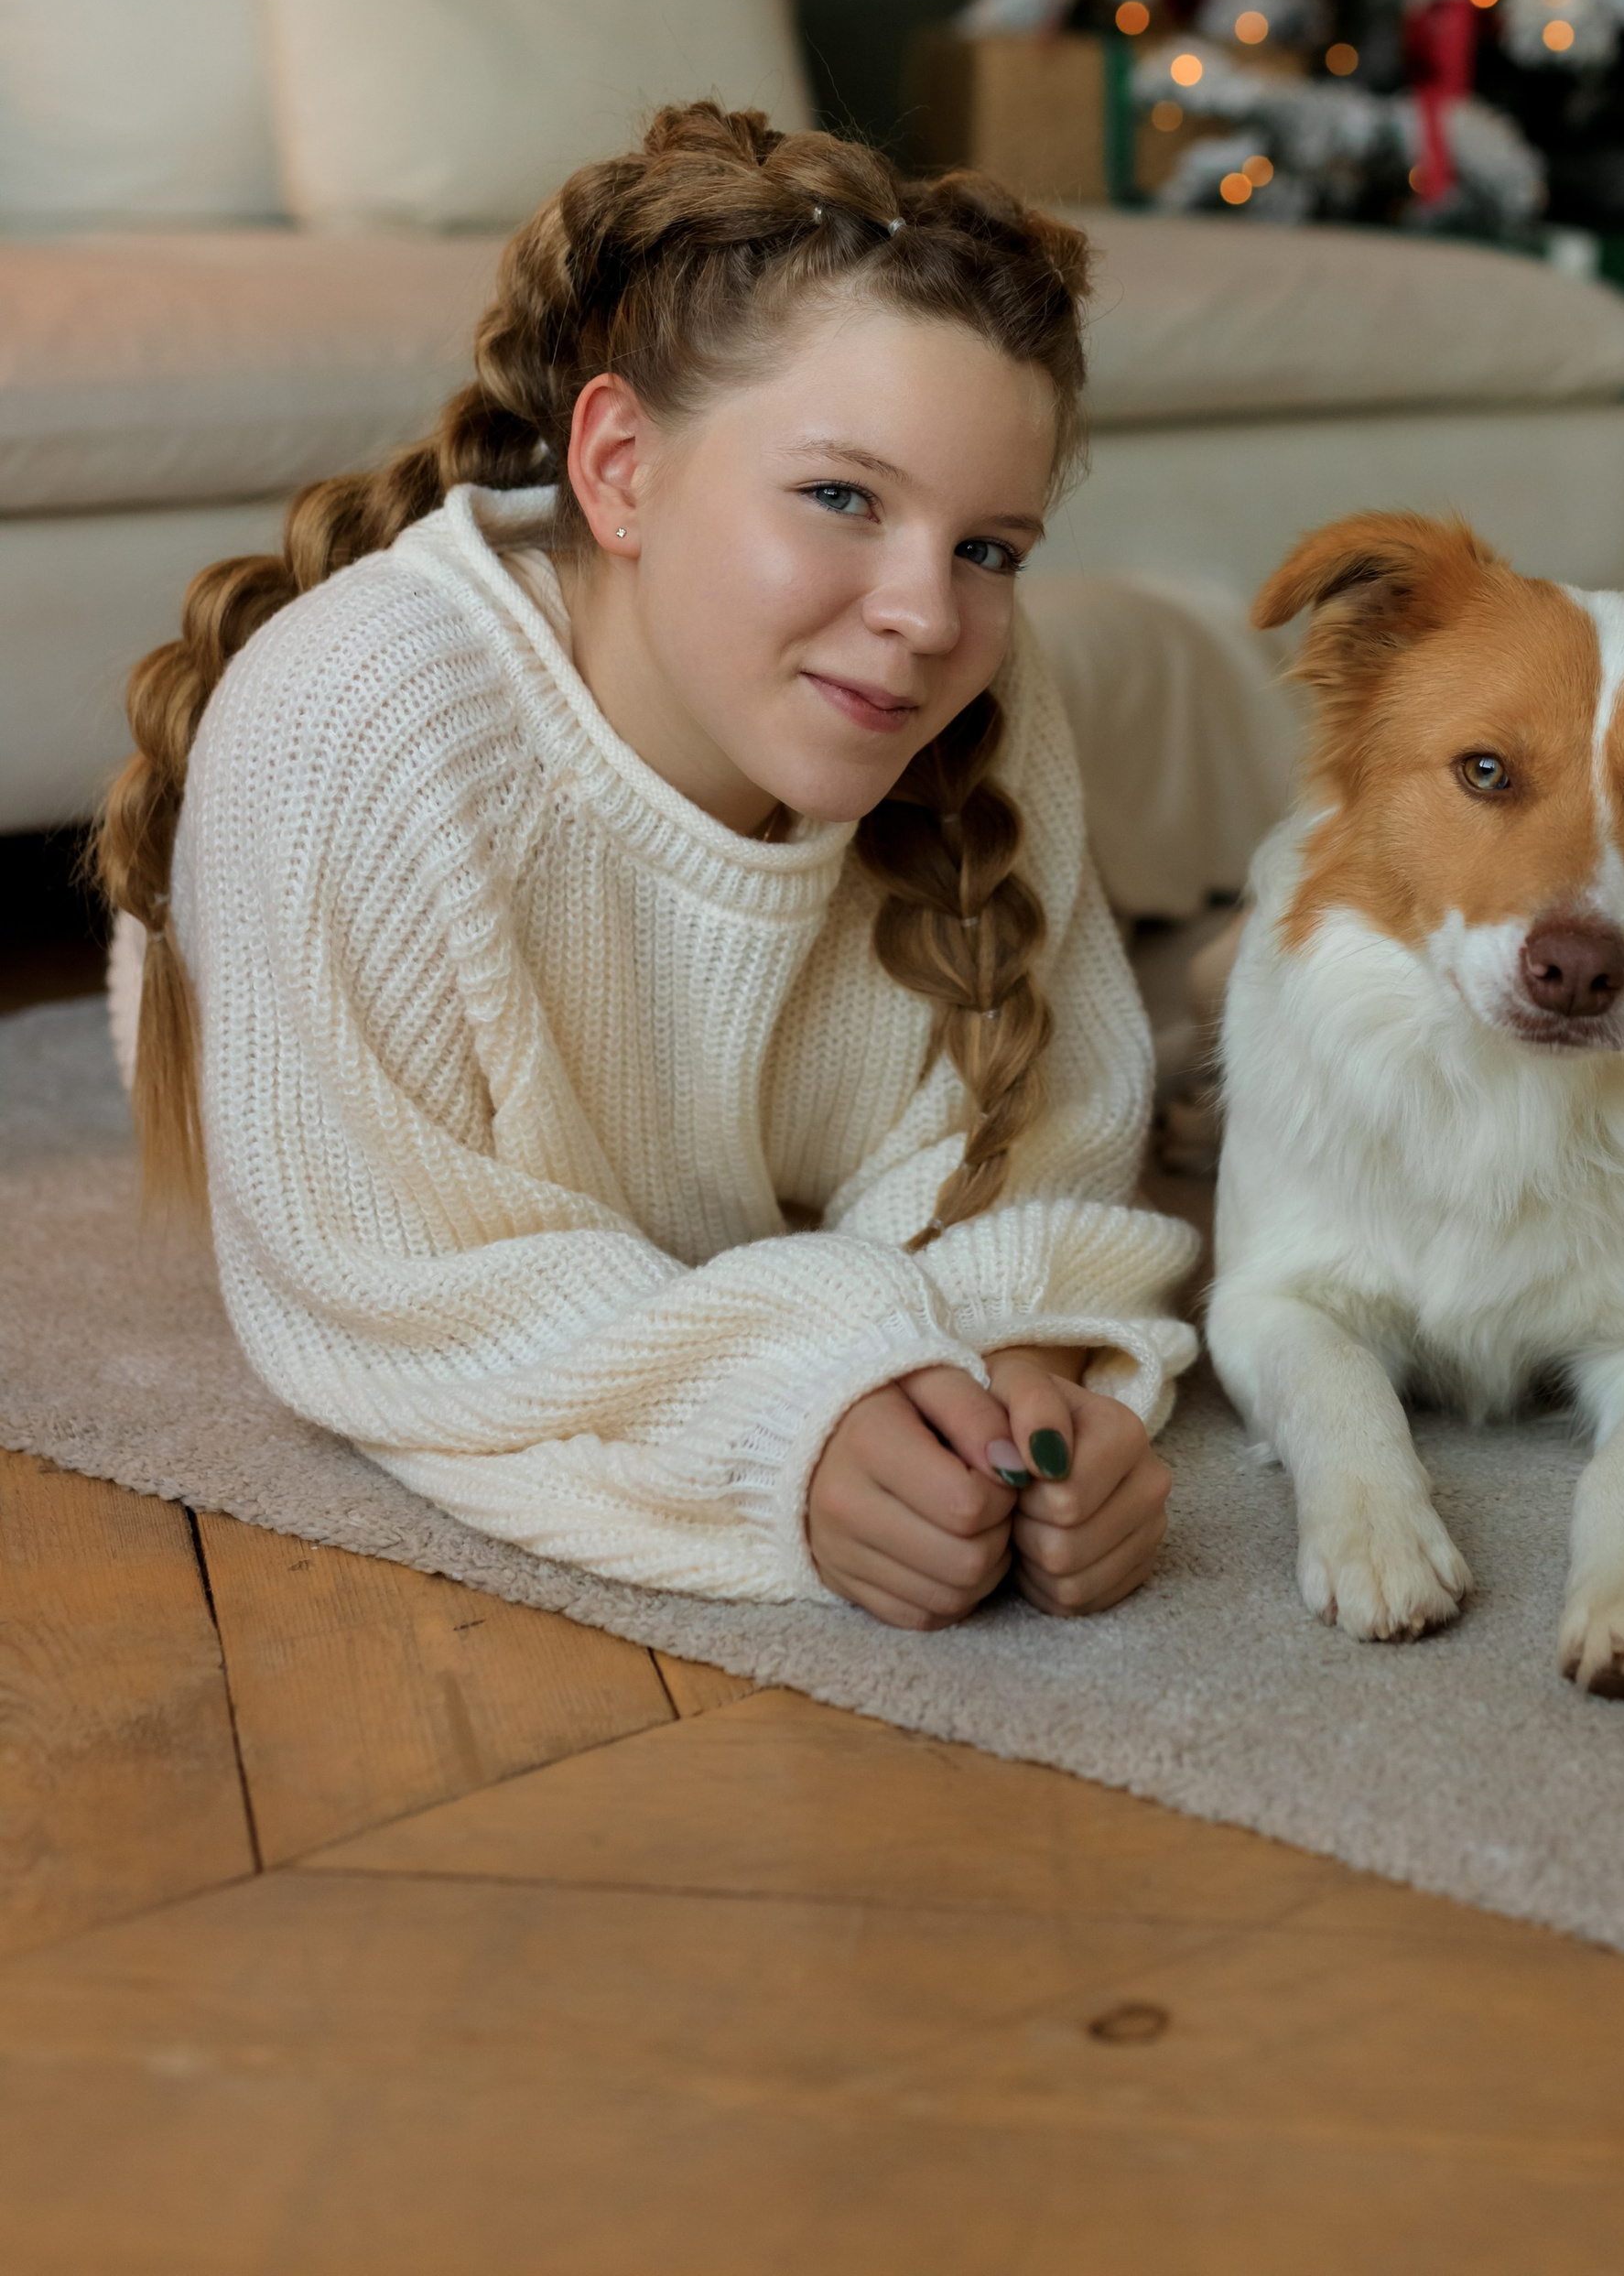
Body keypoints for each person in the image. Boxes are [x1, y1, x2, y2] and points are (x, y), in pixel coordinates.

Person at [98, 104, 1197, 1628]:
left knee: (1166, 684)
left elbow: (1045, 1136)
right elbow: (402, 1289)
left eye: (988, 548)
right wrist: (785, 1422)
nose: (927, 616)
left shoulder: (979, 694)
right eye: (842, 498)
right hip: (334, 986)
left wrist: (1023, 1376)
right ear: (617, 466)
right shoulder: (352, 730)